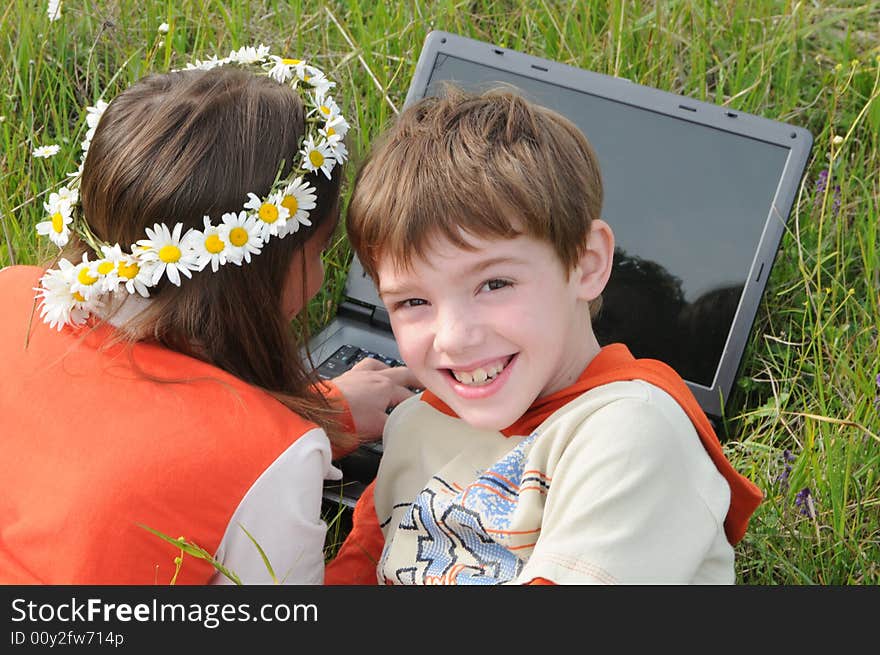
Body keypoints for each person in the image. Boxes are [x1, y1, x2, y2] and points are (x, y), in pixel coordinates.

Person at [0, 48, 418, 585]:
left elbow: (109, 438)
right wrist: (384, 519)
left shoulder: (15, 296)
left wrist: (320, 412)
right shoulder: (271, 460)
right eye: (317, 253)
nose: (318, 277)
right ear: (260, 273)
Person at [324, 87, 763, 585]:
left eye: (494, 284)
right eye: (413, 302)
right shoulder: (417, 423)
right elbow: (365, 558)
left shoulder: (635, 433)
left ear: (587, 263)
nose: (455, 338)